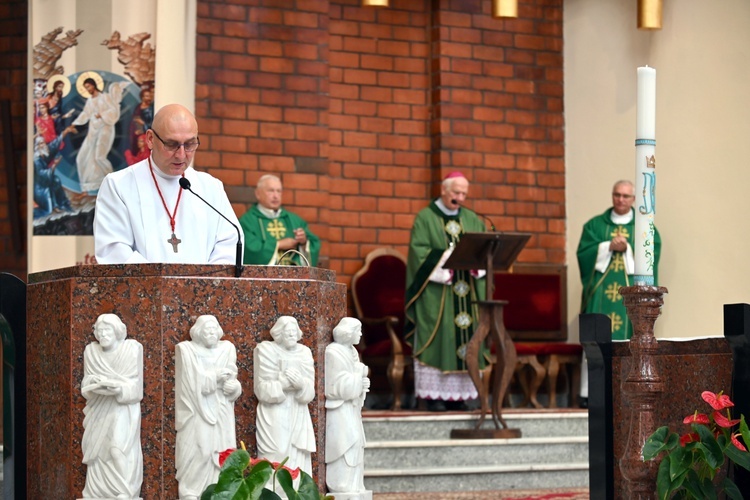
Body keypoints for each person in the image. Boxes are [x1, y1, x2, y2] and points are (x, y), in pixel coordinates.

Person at [94, 104, 242, 264]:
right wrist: (164, 285)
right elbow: (114, 251)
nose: (181, 155)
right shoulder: (118, 186)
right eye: (171, 144)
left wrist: (203, 283)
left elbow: (229, 243)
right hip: (146, 289)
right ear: (150, 139)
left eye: (190, 144)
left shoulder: (211, 188)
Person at [404, 172, 488, 411]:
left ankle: (460, 397)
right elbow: (418, 253)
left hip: (467, 294)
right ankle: (433, 397)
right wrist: (447, 258)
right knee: (440, 339)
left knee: (467, 339)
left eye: (464, 194)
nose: (460, 198)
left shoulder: (473, 219)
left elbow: (483, 250)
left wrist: (475, 261)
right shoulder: (425, 218)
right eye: (456, 193)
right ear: (444, 190)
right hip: (438, 294)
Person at [576, 180, 662, 407]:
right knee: (594, 339)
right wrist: (606, 247)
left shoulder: (644, 226)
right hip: (600, 295)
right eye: (617, 195)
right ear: (612, 195)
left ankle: (625, 390)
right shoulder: (594, 226)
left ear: (633, 199)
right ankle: (588, 393)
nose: (621, 199)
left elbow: (653, 248)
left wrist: (629, 249)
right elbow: (583, 252)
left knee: (628, 338)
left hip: (629, 298)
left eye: (626, 196)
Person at [175, 315, 242, 500]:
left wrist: (234, 388)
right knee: (201, 449)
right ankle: (191, 490)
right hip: (198, 409)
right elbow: (189, 382)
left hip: (222, 410)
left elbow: (233, 379)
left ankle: (222, 490)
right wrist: (215, 377)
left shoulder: (227, 349)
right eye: (207, 330)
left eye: (214, 329)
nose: (211, 333)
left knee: (223, 451)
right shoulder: (187, 350)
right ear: (198, 332)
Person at [81, 314, 143, 500]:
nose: (103, 334)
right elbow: (86, 383)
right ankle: (97, 491)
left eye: (107, 330)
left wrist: (119, 388)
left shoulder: (131, 349)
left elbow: (136, 387)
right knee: (99, 450)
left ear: (117, 331)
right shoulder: (91, 352)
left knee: (118, 449)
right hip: (98, 408)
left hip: (122, 408)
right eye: (99, 331)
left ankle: (125, 490)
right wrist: (95, 383)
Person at [254, 316, 316, 482]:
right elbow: (262, 389)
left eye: (294, 332)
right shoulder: (266, 350)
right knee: (277, 450)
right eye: (287, 332)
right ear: (278, 334)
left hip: (298, 410)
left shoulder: (304, 353)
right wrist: (281, 383)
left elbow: (310, 390)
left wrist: (301, 384)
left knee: (297, 453)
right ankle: (274, 492)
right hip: (275, 410)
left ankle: (295, 490)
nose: (291, 335)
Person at [325, 317, 370, 497]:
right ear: (348, 332)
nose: (360, 334)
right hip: (340, 408)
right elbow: (336, 386)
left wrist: (361, 384)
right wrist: (359, 374)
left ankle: (354, 484)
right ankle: (341, 484)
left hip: (351, 408)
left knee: (357, 443)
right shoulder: (333, 352)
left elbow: (354, 379)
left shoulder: (352, 352)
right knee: (345, 442)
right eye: (357, 331)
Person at [239, 174, 320, 266]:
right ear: (258, 194)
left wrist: (304, 242)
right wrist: (279, 244)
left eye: (279, 191)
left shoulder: (294, 220)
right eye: (271, 191)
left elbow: (314, 244)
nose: (275, 196)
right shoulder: (247, 221)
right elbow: (249, 249)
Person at [71, 77, 127, 192]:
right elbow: (85, 114)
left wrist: (102, 114)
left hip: (105, 129)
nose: (88, 89)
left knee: (99, 157)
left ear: (94, 85)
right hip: (93, 131)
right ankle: (88, 186)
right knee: (81, 158)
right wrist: (74, 124)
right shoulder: (90, 101)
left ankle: (113, 184)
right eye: (86, 88)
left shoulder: (105, 97)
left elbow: (114, 111)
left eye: (89, 86)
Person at [33, 127, 76, 218]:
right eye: (40, 144)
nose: (43, 145)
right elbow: (42, 175)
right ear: (37, 146)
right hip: (40, 188)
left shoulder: (45, 153)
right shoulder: (36, 160)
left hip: (47, 182)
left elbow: (54, 144)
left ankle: (62, 204)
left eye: (43, 143)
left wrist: (66, 131)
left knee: (56, 180)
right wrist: (54, 165)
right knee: (47, 210)